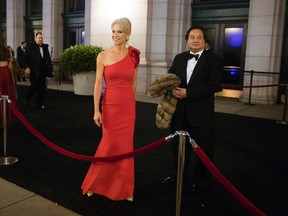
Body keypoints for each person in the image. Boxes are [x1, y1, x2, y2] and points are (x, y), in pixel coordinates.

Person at [81, 17, 140, 201]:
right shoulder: (103, 55)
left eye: (119, 31)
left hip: (127, 106)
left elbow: (133, 82)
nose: (115, 35)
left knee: (125, 147)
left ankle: (124, 188)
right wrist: (96, 110)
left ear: (128, 34)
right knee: (108, 144)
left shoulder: (133, 55)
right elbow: (98, 84)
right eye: (113, 31)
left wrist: (133, 103)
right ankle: (96, 183)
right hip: (111, 105)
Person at [163, 25, 223, 193]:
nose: (195, 40)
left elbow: (214, 85)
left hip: (201, 114)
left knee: (203, 150)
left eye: (199, 37)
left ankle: (201, 181)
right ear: (187, 40)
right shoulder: (179, 58)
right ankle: (178, 176)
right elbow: (171, 77)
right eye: (192, 37)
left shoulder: (214, 60)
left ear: (205, 41)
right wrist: (171, 88)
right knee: (178, 148)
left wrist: (189, 93)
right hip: (179, 113)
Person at [25, 32, 53, 110]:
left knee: (42, 89)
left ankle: (39, 105)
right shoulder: (30, 47)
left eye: (41, 38)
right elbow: (26, 58)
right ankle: (28, 98)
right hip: (34, 71)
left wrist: (50, 70)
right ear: (35, 38)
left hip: (43, 71)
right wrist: (26, 67)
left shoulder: (45, 47)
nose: (40, 39)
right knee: (34, 87)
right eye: (39, 37)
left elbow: (48, 59)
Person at [0, 33, 17, 126]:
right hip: (6, 73)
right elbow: (10, 66)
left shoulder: (7, 49)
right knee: (6, 95)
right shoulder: (8, 49)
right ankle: (4, 120)